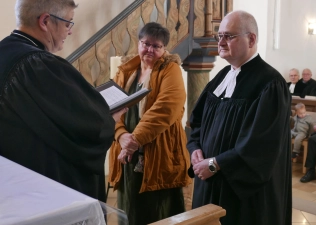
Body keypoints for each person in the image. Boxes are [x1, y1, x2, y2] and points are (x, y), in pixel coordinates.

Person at [0, 0, 119, 202]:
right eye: (68, 23)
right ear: (45, 21)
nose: (70, 31)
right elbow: (91, 125)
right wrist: (110, 118)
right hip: (45, 194)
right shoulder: (38, 66)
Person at [187, 10, 292, 225]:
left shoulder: (270, 84)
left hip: (242, 193)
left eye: (229, 36)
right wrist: (195, 148)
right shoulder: (222, 77)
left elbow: (260, 145)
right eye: (220, 36)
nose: (221, 42)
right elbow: (196, 121)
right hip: (209, 181)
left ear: (251, 39)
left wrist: (215, 164)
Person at [107, 22, 192, 225]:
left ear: (164, 49)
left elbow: (165, 109)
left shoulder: (170, 69)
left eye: (157, 46)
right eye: (146, 44)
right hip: (127, 152)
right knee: (130, 207)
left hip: (158, 151)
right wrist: (121, 135)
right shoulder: (126, 71)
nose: (150, 50)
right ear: (138, 43)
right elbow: (112, 108)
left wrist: (134, 139)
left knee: (158, 209)